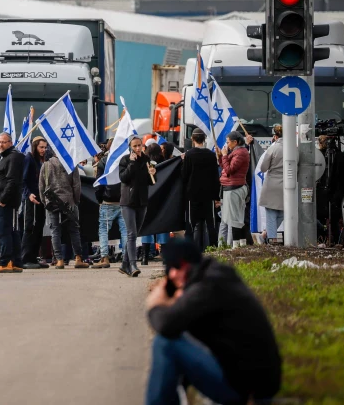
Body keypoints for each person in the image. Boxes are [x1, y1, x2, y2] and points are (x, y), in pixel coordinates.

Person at [145, 238, 281, 404]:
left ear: (190, 263)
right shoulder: (214, 275)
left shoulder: (207, 286)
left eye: (178, 266)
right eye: (170, 268)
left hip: (246, 389)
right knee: (178, 337)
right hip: (251, 380)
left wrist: (155, 306)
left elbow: (166, 325)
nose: (172, 274)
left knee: (165, 343)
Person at [40, 149, 89, 269]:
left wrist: (44, 201)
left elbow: (41, 186)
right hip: (69, 201)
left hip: (51, 201)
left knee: (55, 231)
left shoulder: (45, 165)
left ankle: (59, 260)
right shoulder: (71, 164)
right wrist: (76, 200)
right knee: (74, 230)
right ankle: (78, 258)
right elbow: (76, 185)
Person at [0, 133, 25, 273]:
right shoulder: (5, 158)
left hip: (5, 202)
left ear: (10, 142)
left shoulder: (13, 157)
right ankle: (15, 262)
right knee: (11, 231)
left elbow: (12, 181)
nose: (0, 145)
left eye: (3, 142)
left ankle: (6, 261)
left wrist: (3, 199)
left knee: (4, 232)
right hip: (3, 200)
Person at [119, 136, 153, 277]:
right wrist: (132, 164)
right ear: (130, 147)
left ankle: (124, 264)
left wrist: (153, 174)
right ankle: (133, 265)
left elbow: (150, 182)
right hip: (128, 201)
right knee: (131, 234)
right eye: (135, 146)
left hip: (142, 201)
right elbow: (123, 178)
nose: (138, 148)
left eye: (139, 145)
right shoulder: (125, 160)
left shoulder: (146, 160)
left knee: (135, 233)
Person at [181, 129, 220, 252]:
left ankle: (189, 251)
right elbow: (215, 177)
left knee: (191, 224)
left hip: (192, 195)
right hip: (208, 195)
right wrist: (216, 197)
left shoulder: (189, 155)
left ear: (192, 140)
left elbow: (184, 176)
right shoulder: (211, 155)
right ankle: (213, 249)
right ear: (204, 139)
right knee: (210, 224)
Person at [318, 135, 344, 246]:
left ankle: (322, 240)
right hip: (334, 195)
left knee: (321, 219)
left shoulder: (318, 156)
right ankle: (336, 240)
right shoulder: (339, 156)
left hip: (322, 193)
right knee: (334, 221)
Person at [94, 144, 125, 268]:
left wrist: (99, 199)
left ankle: (104, 257)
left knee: (103, 230)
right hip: (123, 201)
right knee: (125, 231)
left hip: (107, 201)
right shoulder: (124, 160)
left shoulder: (103, 162)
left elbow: (99, 183)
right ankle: (127, 257)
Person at [217, 131, 250, 246]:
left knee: (234, 219)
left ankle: (236, 246)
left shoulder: (240, 153)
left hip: (234, 188)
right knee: (231, 218)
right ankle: (239, 245)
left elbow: (230, 170)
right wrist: (221, 157)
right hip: (229, 187)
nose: (227, 145)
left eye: (228, 142)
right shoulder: (236, 152)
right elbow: (225, 168)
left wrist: (225, 155)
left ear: (235, 142)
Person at [20, 137, 48, 268]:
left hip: (41, 198)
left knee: (39, 227)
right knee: (29, 227)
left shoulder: (42, 161)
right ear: (35, 147)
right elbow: (23, 179)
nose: (43, 150)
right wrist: (28, 194)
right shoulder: (29, 158)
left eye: (45, 147)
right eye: (41, 147)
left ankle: (34, 257)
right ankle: (25, 258)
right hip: (31, 198)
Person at [257, 125, 285, 244]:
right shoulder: (295, 148)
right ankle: (266, 234)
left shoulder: (272, 149)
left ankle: (271, 239)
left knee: (271, 214)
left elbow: (263, 168)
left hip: (272, 185)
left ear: (275, 136)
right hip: (287, 187)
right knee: (283, 213)